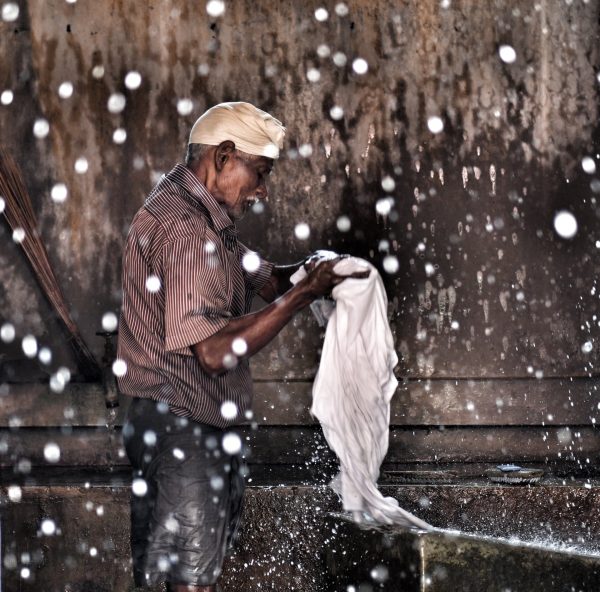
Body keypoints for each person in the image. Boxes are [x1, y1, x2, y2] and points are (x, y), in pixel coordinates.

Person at [117, 102, 368, 592]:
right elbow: (212, 353)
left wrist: (310, 272)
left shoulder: (203, 215)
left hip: (185, 425)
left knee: (189, 572)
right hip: (182, 430)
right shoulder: (187, 230)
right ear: (224, 155)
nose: (262, 190)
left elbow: (265, 278)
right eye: (260, 173)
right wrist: (304, 294)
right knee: (191, 581)